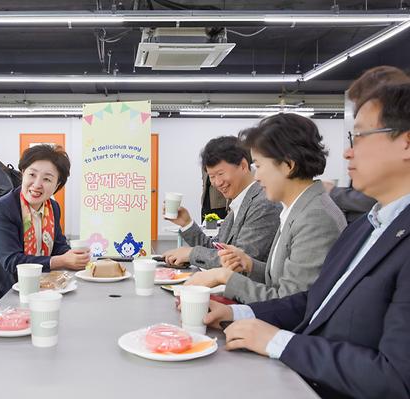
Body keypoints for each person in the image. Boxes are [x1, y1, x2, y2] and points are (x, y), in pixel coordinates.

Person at [203, 84, 410, 398]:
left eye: (361, 136)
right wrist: (239, 314)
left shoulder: (323, 217)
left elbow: (395, 379)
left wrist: (277, 341)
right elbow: (313, 301)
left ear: (406, 143)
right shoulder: (367, 227)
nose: (347, 151)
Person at [185, 114, 347, 303]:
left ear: (288, 165)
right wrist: (249, 264)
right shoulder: (297, 209)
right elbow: (279, 280)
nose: (257, 176)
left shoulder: (315, 218)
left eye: (259, 166)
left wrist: (224, 277)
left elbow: (291, 302)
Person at [0, 144, 89, 312]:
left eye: (47, 179)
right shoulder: (3, 208)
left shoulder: (52, 207)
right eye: (32, 174)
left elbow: (58, 245)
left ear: (57, 184)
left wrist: (76, 256)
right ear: (23, 173)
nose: (37, 184)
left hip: (28, 288)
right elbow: (12, 260)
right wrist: (62, 261)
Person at [162, 136, 281, 269]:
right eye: (212, 177)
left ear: (243, 166)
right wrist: (186, 223)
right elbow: (216, 247)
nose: (217, 183)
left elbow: (239, 261)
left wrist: (191, 254)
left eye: (220, 174)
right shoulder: (239, 203)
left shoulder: (264, 203)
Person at [326, 65, 410, 223]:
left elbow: (367, 200)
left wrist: (334, 192)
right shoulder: (371, 224)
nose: (347, 153)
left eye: (361, 135)